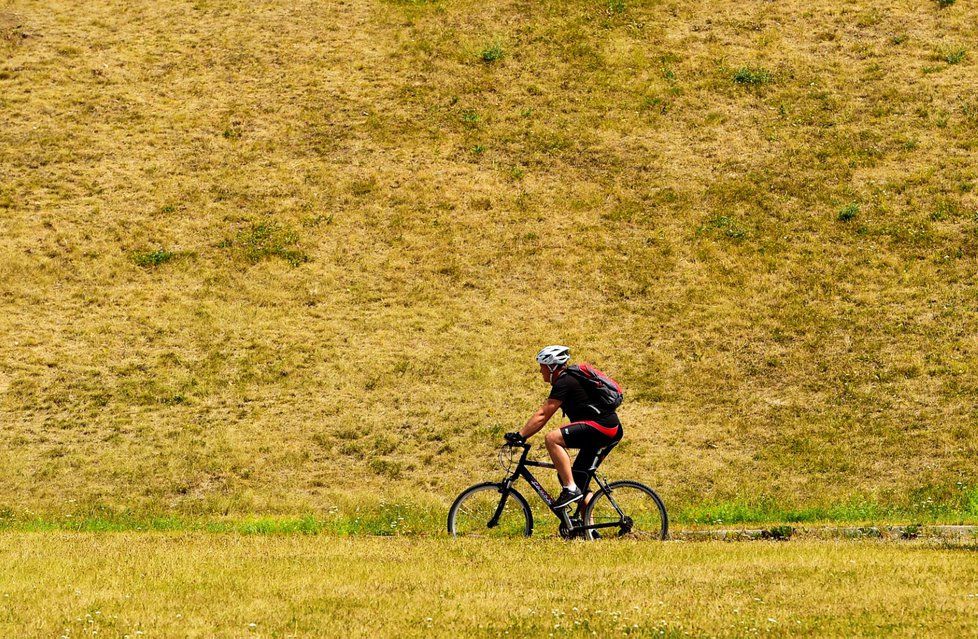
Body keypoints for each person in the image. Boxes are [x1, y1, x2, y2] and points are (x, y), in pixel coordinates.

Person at [505, 345, 623, 509]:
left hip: (603, 428)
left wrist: (521, 435)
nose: (540, 371)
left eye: (542, 367)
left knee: (552, 439)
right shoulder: (568, 380)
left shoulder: (565, 381)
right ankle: (589, 530)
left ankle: (570, 489)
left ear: (552, 367)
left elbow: (543, 414)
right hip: (608, 429)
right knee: (574, 478)